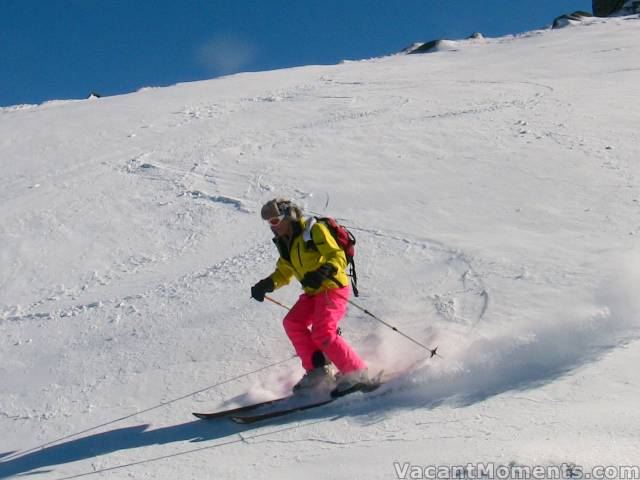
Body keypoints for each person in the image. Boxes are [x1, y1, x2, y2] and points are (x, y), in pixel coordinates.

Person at [251, 198, 371, 397]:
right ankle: (318, 371)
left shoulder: (313, 231)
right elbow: (283, 272)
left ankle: (357, 373)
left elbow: (337, 255)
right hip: (313, 292)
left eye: (274, 221)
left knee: (323, 331)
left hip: (332, 287)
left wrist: (323, 271)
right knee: (293, 322)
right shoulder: (285, 242)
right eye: (269, 222)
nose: (272, 226)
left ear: (287, 217)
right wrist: (266, 285)